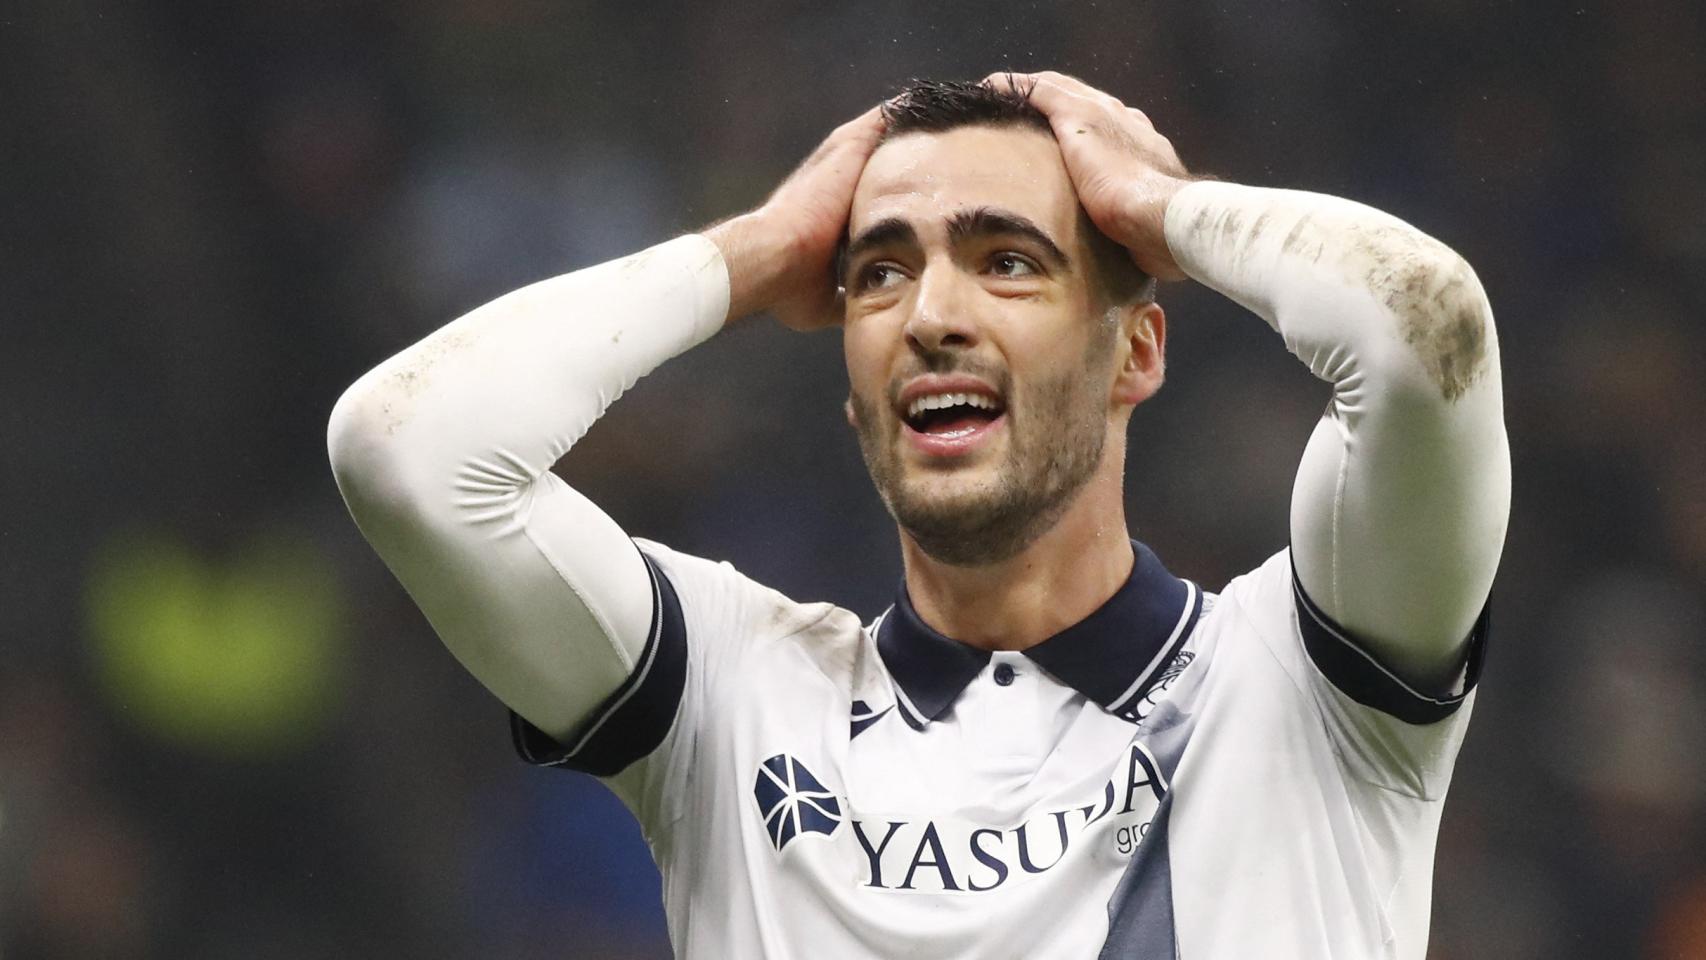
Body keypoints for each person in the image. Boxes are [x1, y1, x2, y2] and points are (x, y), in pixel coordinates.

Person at [328, 72, 1509, 959]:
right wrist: (756, 248)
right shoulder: (731, 701)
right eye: (880, 272)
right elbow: (407, 451)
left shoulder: (1303, 682)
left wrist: (1159, 206)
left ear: (1134, 351)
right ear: (850, 392)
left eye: (1007, 261)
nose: (930, 315)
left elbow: (1421, 331)